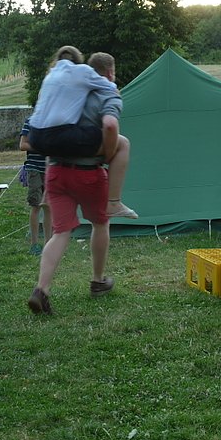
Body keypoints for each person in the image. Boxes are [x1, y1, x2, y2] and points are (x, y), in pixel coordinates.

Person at [27, 52, 121, 315]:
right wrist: (109, 155)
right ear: (110, 73)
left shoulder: (61, 90)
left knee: (60, 233)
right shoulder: (102, 92)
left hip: (55, 170)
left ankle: (41, 289)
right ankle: (98, 280)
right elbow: (111, 126)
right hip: (88, 171)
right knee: (100, 222)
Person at [28, 45, 136, 219]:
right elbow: (108, 93)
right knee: (122, 143)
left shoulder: (51, 76)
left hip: (36, 136)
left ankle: (49, 191)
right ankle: (114, 202)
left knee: (56, 144)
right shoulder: (82, 72)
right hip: (72, 152)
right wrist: (108, 153)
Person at [19, 118, 52, 256]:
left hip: (50, 168)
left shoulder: (54, 121)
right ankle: (34, 244)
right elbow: (22, 145)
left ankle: (48, 244)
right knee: (36, 205)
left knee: (49, 207)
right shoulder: (31, 121)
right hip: (34, 170)